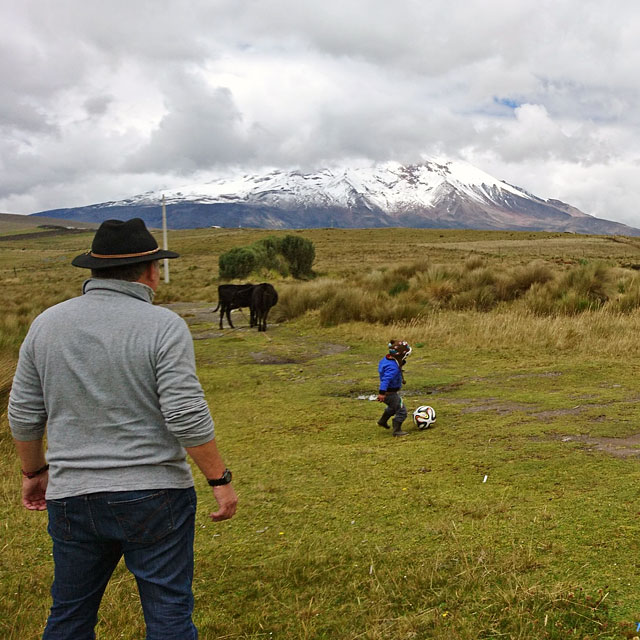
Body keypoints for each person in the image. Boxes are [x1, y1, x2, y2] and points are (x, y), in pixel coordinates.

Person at [9, 218, 238, 639]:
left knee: (70, 615)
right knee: (168, 613)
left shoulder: (46, 323)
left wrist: (33, 472)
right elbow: (184, 412)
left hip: (72, 493)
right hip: (155, 493)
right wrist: (218, 479)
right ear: (150, 271)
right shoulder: (163, 325)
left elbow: (23, 412)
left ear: (94, 270)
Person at [376, 339, 412, 437]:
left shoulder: (388, 360)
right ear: (400, 355)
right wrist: (382, 393)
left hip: (388, 393)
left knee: (392, 408)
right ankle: (397, 430)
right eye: (406, 355)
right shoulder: (393, 368)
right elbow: (386, 380)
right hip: (389, 394)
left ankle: (382, 421)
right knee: (401, 410)